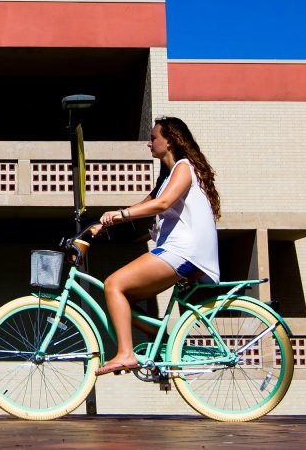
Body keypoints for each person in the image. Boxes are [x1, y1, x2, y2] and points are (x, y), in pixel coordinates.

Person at [88, 116, 221, 376]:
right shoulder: (166, 178)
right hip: (180, 251)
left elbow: (161, 205)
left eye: (153, 138)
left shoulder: (184, 166)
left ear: (169, 140)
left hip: (185, 251)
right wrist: (103, 225)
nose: (149, 144)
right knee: (121, 299)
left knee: (113, 284)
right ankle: (168, 339)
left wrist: (119, 214)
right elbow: (142, 208)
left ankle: (126, 354)